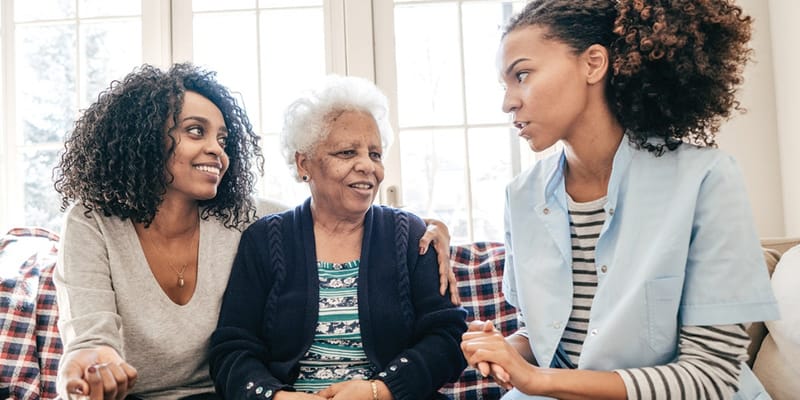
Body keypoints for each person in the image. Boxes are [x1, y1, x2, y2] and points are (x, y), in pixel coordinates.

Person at [53, 64, 456, 400]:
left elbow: (333, 210)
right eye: (197, 131)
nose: (217, 149)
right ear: (142, 138)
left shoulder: (239, 216)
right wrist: (91, 361)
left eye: (223, 138)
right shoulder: (93, 222)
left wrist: (425, 227)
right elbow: (91, 338)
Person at [460, 1, 779, 399]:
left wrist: (538, 380)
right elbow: (545, 336)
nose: (508, 102)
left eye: (522, 75)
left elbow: (713, 376)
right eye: (505, 85)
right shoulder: (520, 196)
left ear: (593, 63)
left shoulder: (706, 180)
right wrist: (505, 350)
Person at [209, 75, 467, 400]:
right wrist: (275, 397)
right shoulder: (264, 239)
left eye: (375, 154)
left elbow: (447, 336)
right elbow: (232, 348)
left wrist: (381, 390)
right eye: (347, 153)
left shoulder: (409, 234)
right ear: (304, 164)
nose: (367, 166)